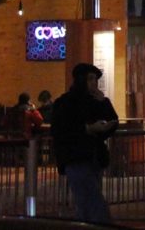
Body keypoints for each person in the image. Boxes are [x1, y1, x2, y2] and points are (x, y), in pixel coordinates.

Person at [50, 62, 119, 224]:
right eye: (90, 79)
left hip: (94, 157)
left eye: (95, 79)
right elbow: (61, 129)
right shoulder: (66, 102)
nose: (94, 83)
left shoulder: (96, 101)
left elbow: (113, 121)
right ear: (81, 80)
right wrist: (87, 129)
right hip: (76, 157)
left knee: (85, 203)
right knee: (93, 201)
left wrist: (104, 103)